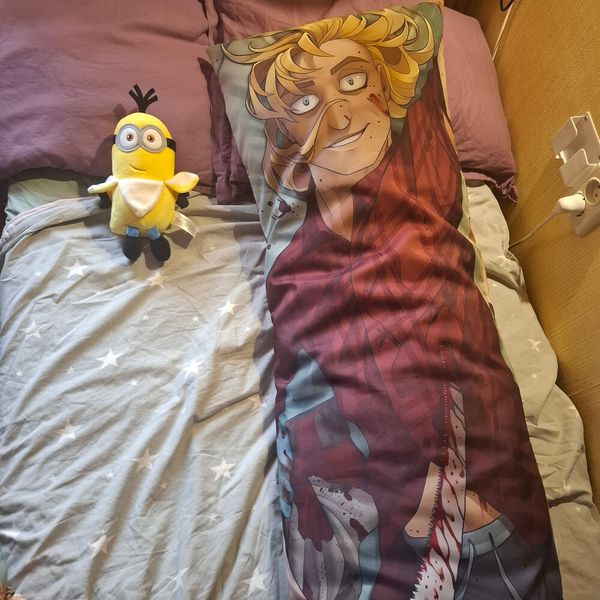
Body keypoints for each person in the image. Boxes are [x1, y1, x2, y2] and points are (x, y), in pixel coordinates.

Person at [226, 7, 561, 599]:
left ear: (389, 96)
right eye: (304, 102)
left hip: (484, 526)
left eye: (354, 81)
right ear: (283, 138)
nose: (338, 115)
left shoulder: (425, 190)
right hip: (370, 537)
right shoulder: (299, 263)